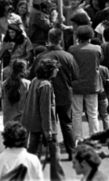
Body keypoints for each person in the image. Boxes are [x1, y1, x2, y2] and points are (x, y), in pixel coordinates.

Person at [30, 28, 79, 160]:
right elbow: (76, 76)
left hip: (44, 96)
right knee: (67, 124)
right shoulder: (68, 57)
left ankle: (52, 153)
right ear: (61, 39)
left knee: (48, 124)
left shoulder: (41, 57)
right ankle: (72, 152)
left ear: (48, 39)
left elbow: (31, 75)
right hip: (64, 94)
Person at [21, 58, 61, 181]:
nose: (57, 70)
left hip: (32, 121)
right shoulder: (46, 85)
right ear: (49, 70)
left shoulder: (35, 80)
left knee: (32, 151)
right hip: (44, 124)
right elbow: (45, 109)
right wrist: (48, 130)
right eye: (55, 68)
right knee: (54, 153)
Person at [68, 25, 102, 140]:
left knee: (76, 113)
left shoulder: (72, 49)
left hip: (76, 84)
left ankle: (77, 138)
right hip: (92, 84)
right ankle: (95, 137)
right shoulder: (97, 49)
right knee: (93, 113)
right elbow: (100, 61)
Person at [2, 60, 30, 125]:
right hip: (22, 119)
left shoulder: (5, 83)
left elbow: (3, 103)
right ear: (24, 70)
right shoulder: (27, 84)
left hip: (8, 120)